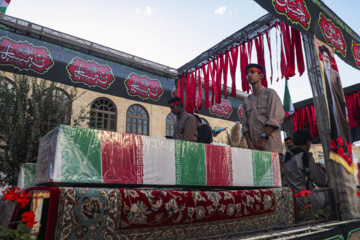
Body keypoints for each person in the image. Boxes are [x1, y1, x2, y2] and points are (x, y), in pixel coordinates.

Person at [241, 63, 286, 186]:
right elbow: (244, 126)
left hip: (271, 149)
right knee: (259, 186)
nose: (249, 75)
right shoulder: (246, 100)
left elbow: (275, 118)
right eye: (247, 73)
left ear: (261, 75)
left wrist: (263, 138)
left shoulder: (270, 93)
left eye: (252, 72)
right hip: (254, 151)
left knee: (276, 185)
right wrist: (250, 144)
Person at [284, 129, 331, 219]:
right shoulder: (305, 156)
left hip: (292, 200)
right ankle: (325, 221)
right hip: (306, 199)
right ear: (308, 142)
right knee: (333, 194)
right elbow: (321, 181)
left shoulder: (287, 157)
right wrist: (324, 171)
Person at [320, 45, 350, 144]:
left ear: (330, 58)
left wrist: (345, 111)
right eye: (324, 57)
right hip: (327, 107)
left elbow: (341, 93)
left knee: (341, 128)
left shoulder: (335, 74)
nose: (325, 59)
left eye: (327, 57)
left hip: (338, 106)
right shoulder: (321, 75)